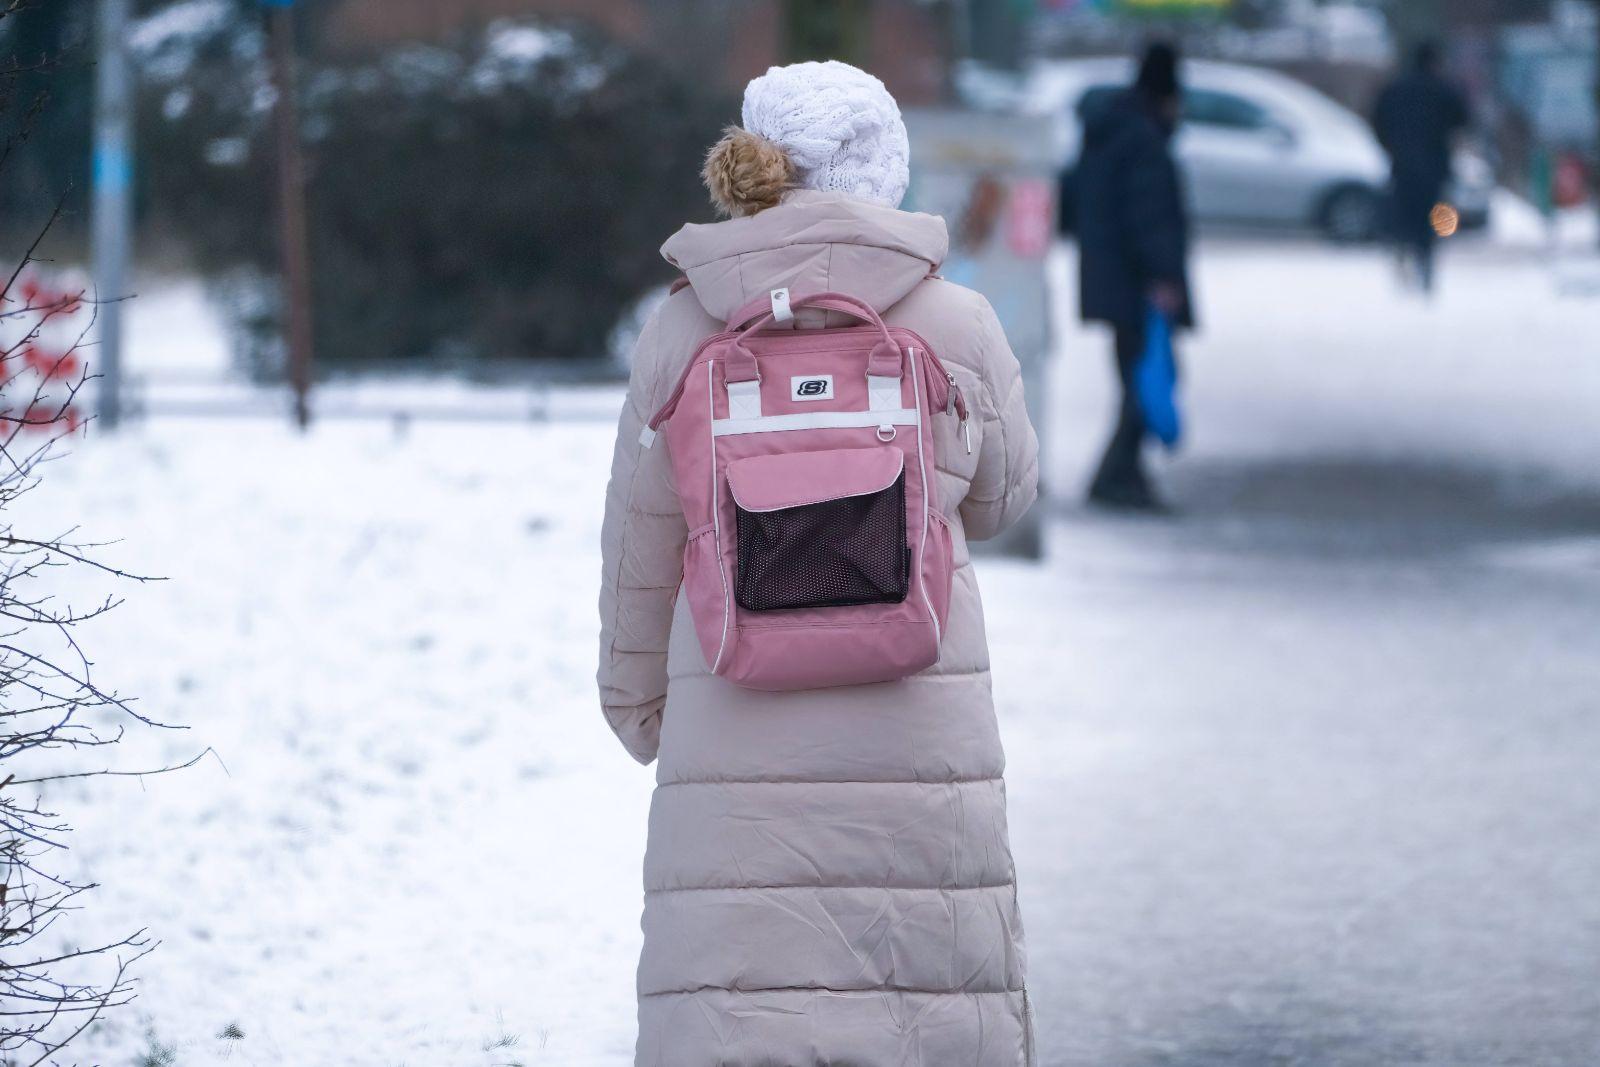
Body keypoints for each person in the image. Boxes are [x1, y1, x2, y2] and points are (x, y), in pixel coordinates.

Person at [597, 61, 1039, 1066]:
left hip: (733, 722)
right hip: (916, 722)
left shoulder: (681, 327)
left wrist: (636, 700)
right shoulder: (954, 322)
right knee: (918, 1002)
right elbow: (1006, 501)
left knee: (740, 1003)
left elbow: (640, 540)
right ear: (882, 167)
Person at [1073, 41, 1193, 512]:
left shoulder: (1110, 131)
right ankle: (1116, 477)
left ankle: (1123, 475)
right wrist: (1162, 276)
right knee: (1147, 380)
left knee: (1137, 378)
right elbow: (1150, 215)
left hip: (1114, 280)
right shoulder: (1141, 137)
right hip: (1138, 285)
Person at [1371, 42, 1470, 293]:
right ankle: (1426, 261)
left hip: (1402, 164)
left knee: (1404, 213)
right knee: (1433, 217)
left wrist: (1391, 147)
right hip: (1435, 166)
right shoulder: (1444, 89)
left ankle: (1403, 249)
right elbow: (1463, 119)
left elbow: (1377, 121)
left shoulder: (1394, 89)